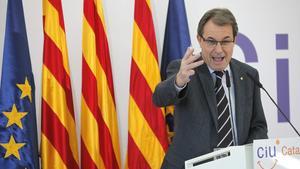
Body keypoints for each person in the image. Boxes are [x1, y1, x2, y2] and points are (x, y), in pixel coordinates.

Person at [153, 8, 268, 169]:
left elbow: (259, 127)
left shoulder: (248, 75)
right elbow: (159, 98)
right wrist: (179, 81)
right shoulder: (184, 69)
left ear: (234, 40)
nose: (219, 50)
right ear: (200, 40)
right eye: (211, 41)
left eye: (226, 41)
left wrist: (245, 158)